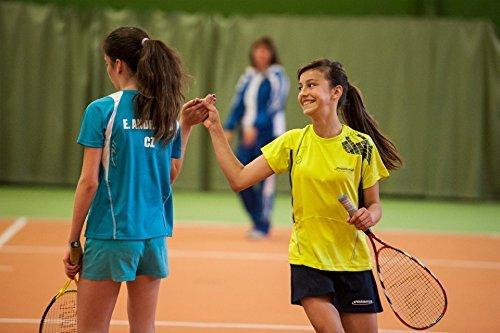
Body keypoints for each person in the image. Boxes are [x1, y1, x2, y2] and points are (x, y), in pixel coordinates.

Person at [202, 59, 402, 333]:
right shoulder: (292, 142)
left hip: (354, 263)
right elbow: (239, 179)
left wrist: (370, 215)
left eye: (311, 85)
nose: (303, 93)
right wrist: (215, 126)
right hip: (308, 261)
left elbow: (375, 205)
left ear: (336, 92)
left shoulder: (361, 145)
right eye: (300, 87)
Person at [62, 26, 212, 332]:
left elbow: (88, 182)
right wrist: (185, 125)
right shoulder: (166, 110)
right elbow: (167, 176)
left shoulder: (102, 110)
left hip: (111, 237)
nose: (108, 70)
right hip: (153, 240)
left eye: (107, 64)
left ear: (118, 64)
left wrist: (74, 239)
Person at [224, 36, 290, 239]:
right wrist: (229, 127)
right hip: (247, 137)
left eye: (265, 50)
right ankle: (256, 219)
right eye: (257, 50)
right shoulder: (248, 77)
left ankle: (263, 225)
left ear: (271, 54)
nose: (261, 54)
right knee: (239, 177)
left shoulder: (278, 76)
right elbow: (238, 104)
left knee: (265, 182)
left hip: (269, 136)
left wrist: (256, 126)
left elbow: (274, 105)